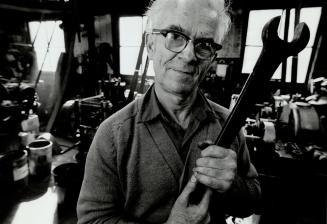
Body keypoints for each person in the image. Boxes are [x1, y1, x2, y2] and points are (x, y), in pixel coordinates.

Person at [77, 0, 261, 223]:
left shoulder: (228, 124)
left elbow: (252, 201)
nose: (189, 55)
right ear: (151, 45)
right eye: (175, 35)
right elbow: (92, 220)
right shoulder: (112, 135)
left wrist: (232, 186)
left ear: (212, 57)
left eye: (204, 44)